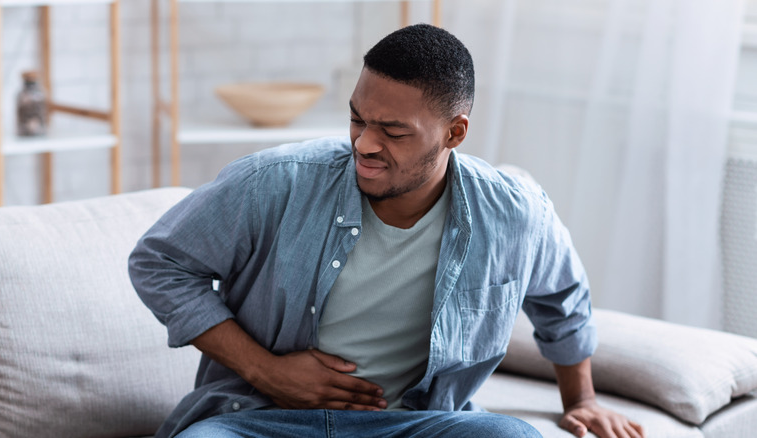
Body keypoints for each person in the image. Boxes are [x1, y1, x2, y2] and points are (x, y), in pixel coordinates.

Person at [129, 23, 644, 438]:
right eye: (358, 119)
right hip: (258, 418)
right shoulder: (274, 182)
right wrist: (268, 371)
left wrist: (583, 401)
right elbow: (159, 263)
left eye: (393, 132)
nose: (364, 144)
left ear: (454, 132)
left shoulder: (515, 213)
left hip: (415, 423)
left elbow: (564, 299)